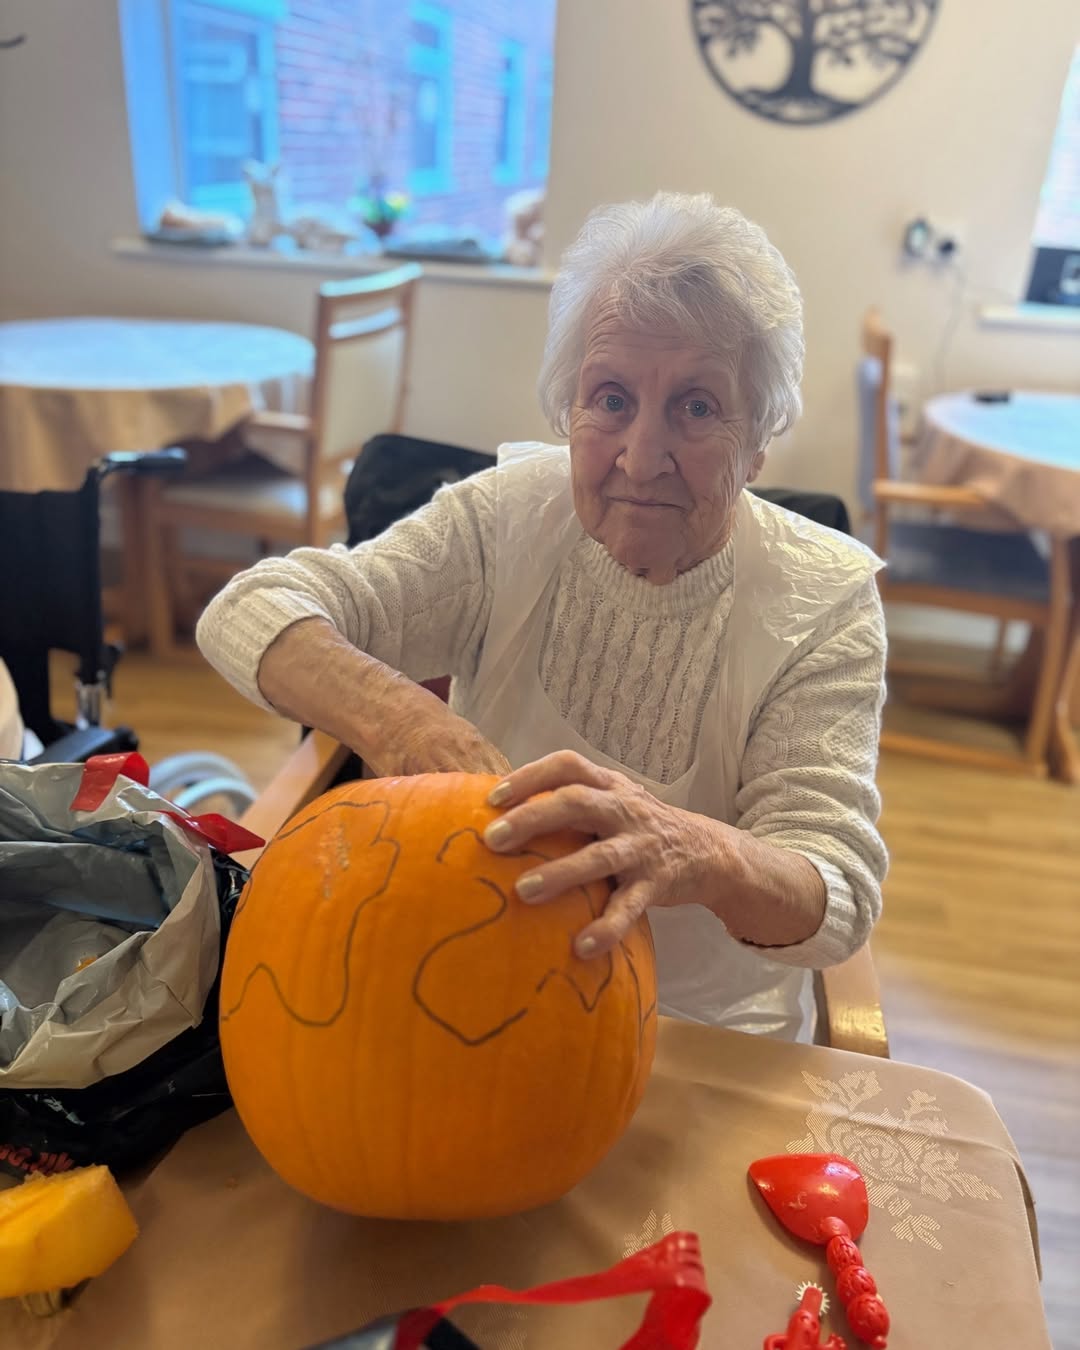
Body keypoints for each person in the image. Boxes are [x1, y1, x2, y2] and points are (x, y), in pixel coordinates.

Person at [197, 191, 887, 1039]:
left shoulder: (826, 602)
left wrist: (695, 851)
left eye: (697, 407)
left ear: (760, 438)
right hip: (463, 992)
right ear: (569, 410)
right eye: (611, 398)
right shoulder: (504, 523)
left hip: (700, 1036)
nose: (641, 457)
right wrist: (404, 720)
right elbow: (248, 609)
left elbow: (837, 888)